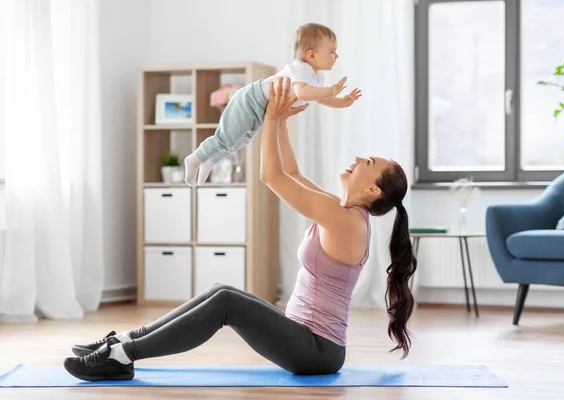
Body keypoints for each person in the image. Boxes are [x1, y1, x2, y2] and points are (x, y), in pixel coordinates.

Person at [63, 77, 416, 382]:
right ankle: (123, 341)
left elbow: (272, 177)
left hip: (316, 350)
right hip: (306, 339)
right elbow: (291, 173)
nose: (356, 160)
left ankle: (123, 356)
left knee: (227, 303)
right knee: (222, 290)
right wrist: (277, 123)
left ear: (373, 191)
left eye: (367, 163)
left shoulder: (346, 220)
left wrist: (271, 116)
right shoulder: (343, 211)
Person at [184, 22, 362, 186]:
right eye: (332, 51)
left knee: (239, 141)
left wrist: (341, 102)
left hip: (261, 110)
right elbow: (303, 92)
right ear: (311, 55)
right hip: (250, 100)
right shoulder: (301, 68)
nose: (336, 56)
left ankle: (209, 161)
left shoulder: (317, 75)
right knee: (225, 138)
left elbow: (320, 97)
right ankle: (194, 159)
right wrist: (331, 90)